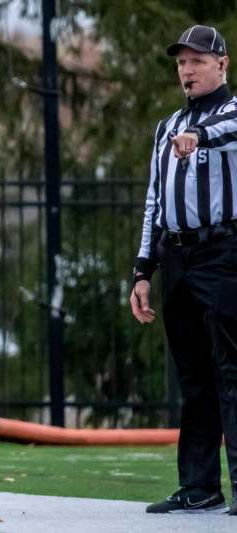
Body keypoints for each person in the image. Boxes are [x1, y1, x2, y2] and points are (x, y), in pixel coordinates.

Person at [131, 25, 237, 515]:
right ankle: (199, 485)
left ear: (222, 64)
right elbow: (155, 199)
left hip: (223, 253)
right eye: (181, 63)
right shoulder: (166, 127)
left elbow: (229, 128)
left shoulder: (231, 114)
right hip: (177, 257)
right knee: (193, 375)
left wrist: (200, 134)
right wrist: (142, 271)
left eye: (197, 60)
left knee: (232, 369)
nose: (187, 70)